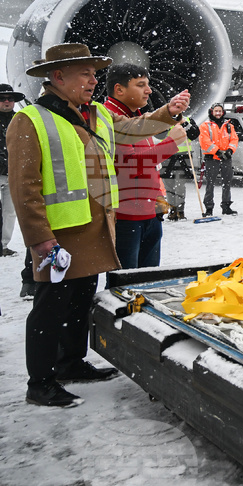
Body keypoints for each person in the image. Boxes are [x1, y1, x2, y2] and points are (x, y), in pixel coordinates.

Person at [7, 42, 190, 408]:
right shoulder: (30, 120)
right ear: (58, 77)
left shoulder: (97, 115)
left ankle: (71, 362)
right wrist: (40, 239)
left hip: (93, 229)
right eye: (86, 74)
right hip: (58, 236)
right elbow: (23, 188)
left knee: (79, 302)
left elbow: (137, 128)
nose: (94, 80)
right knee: (49, 308)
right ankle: (40, 382)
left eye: (94, 73)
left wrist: (167, 113)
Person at [104, 63, 188, 268]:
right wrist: (171, 143)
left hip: (147, 211)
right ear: (119, 89)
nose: (149, 90)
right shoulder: (110, 119)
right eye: (141, 85)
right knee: (127, 284)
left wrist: (158, 202)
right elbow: (130, 165)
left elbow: (149, 166)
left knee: (145, 280)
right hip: (127, 216)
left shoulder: (135, 118)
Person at [0, 84, 26, 259]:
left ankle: (3, 245)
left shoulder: (21, 120)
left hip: (13, 173)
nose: (7, 101)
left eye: (10, 98)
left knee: (10, 211)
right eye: (2, 98)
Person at [199, 103, 239, 216]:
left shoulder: (229, 126)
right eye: (216, 111)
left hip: (226, 158)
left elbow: (234, 139)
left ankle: (226, 206)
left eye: (220, 111)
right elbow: (205, 142)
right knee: (210, 184)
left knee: (227, 182)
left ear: (223, 112)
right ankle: (209, 208)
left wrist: (230, 151)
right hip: (211, 159)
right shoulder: (205, 126)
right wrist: (217, 151)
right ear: (211, 112)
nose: (218, 113)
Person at [160, 115, 200, 221]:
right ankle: (172, 209)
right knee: (168, 185)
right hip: (166, 155)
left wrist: (184, 124)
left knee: (180, 185)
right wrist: (168, 125)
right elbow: (159, 135)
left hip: (183, 157)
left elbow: (194, 134)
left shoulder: (188, 120)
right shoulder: (164, 119)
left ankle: (180, 210)